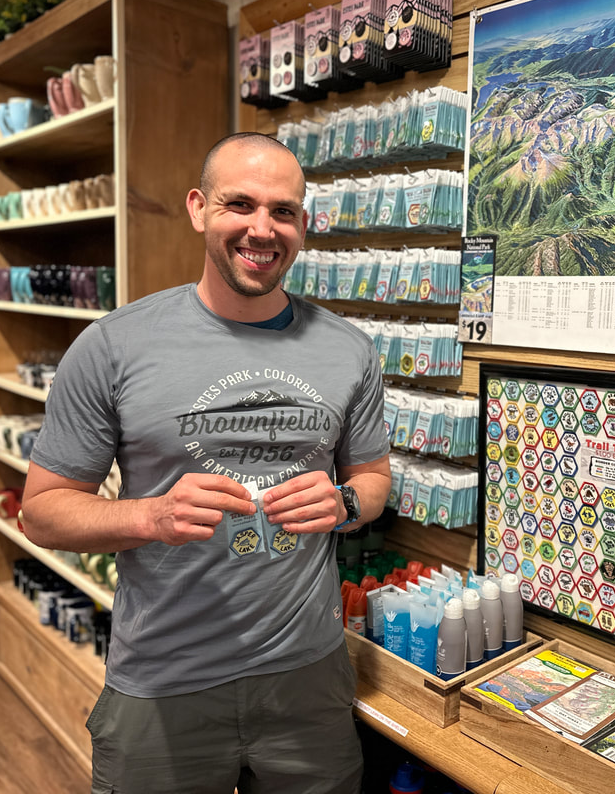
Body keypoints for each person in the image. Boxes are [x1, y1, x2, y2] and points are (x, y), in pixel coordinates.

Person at [20, 132, 392, 794]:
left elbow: (371, 480)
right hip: (164, 681)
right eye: (238, 204)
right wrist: (151, 515)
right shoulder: (113, 346)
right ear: (197, 208)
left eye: (282, 211)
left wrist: (346, 504)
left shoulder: (350, 351)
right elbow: (42, 513)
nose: (261, 228)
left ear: (303, 224)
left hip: (306, 676)